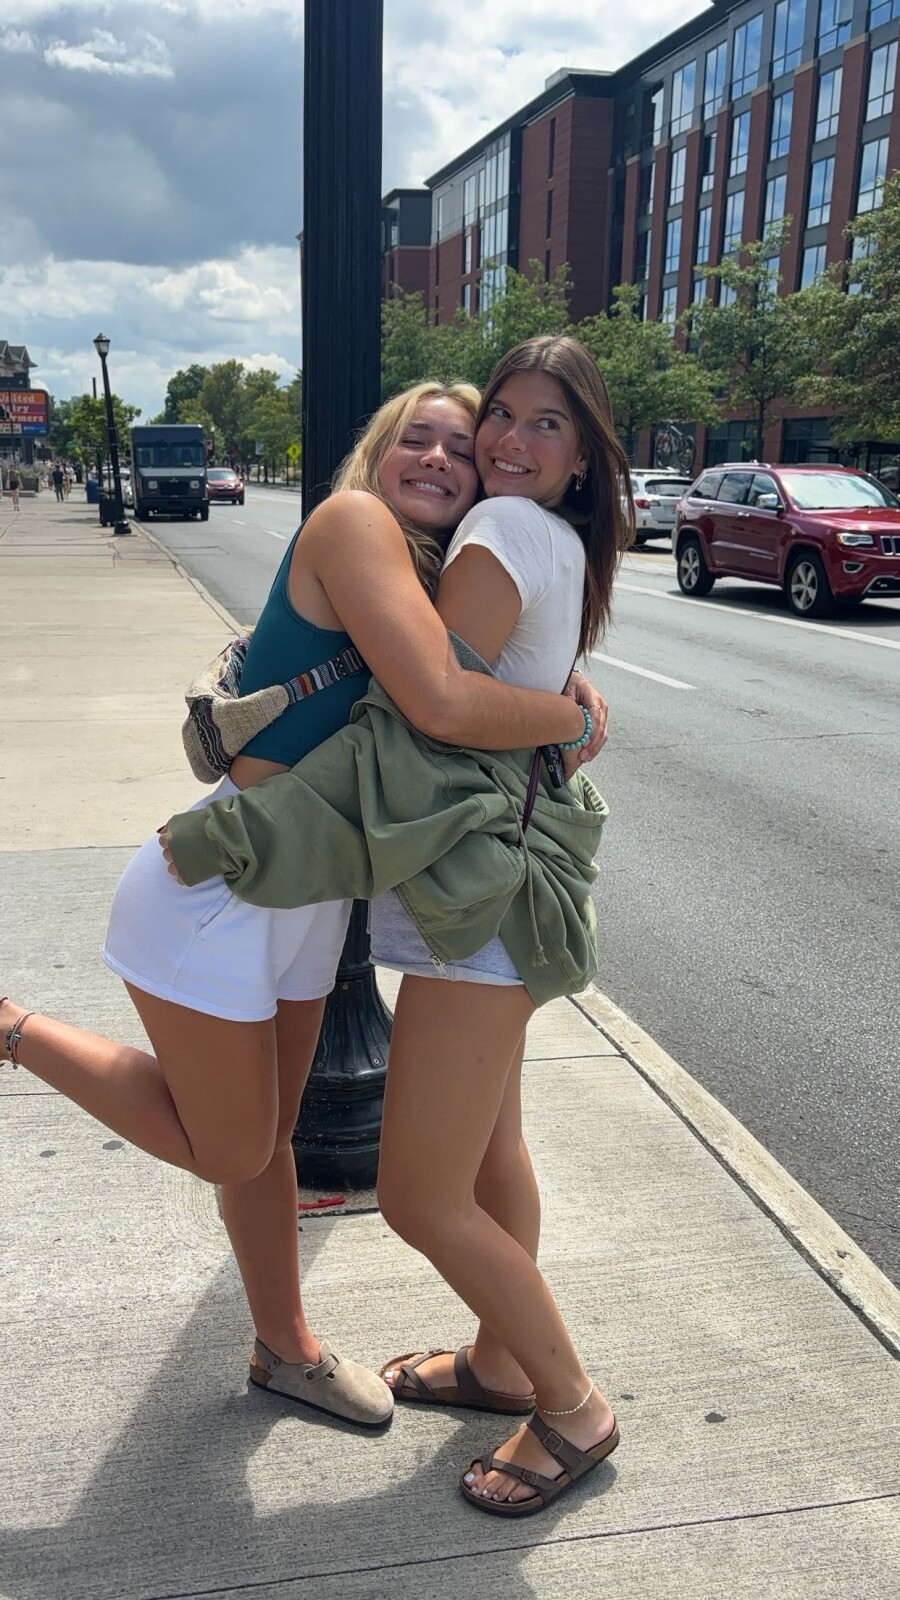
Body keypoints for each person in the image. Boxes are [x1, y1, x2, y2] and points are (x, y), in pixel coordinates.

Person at [1, 375, 606, 1434]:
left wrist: (566, 689)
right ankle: (12, 1029)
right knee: (233, 1148)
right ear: (377, 450)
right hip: (225, 883)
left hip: (309, 900)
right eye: (414, 437)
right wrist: (570, 717)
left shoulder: (435, 575)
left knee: (272, 1135)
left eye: (458, 447)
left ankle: (285, 1349)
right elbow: (440, 701)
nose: (438, 457)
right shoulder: (354, 521)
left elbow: (474, 671)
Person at [156, 336, 635, 1516]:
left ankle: (571, 1405)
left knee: (422, 1195)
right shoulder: (549, 536)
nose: (510, 441)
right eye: (503, 415)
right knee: (493, 1154)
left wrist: (240, 829)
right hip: (503, 885)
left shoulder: (501, 528)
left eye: (547, 425)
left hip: (476, 900)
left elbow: (428, 707)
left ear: (583, 458)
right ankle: (500, 1361)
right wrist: (564, 710)